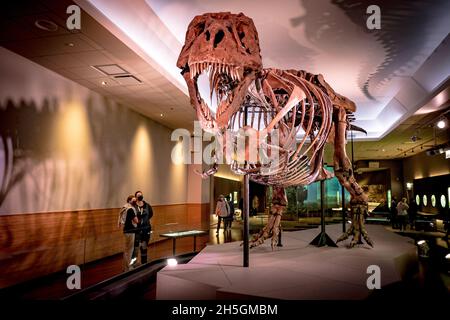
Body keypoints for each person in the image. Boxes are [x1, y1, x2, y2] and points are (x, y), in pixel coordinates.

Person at [134, 190, 153, 264]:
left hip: (146, 229)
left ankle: (144, 263)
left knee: (144, 246)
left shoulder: (147, 205)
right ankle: (134, 264)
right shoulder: (134, 206)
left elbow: (151, 214)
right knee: (136, 247)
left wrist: (145, 221)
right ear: (136, 197)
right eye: (138, 195)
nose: (140, 196)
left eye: (141, 195)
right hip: (136, 230)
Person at [123, 195, 139, 271]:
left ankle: (126, 267)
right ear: (129, 200)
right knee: (130, 250)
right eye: (133, 200)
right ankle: (128, 268)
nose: (135, 202)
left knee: (126, 250)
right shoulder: (131, 209)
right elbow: (136, 221)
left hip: (126, 230)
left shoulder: (124, 207)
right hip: (130, 230)